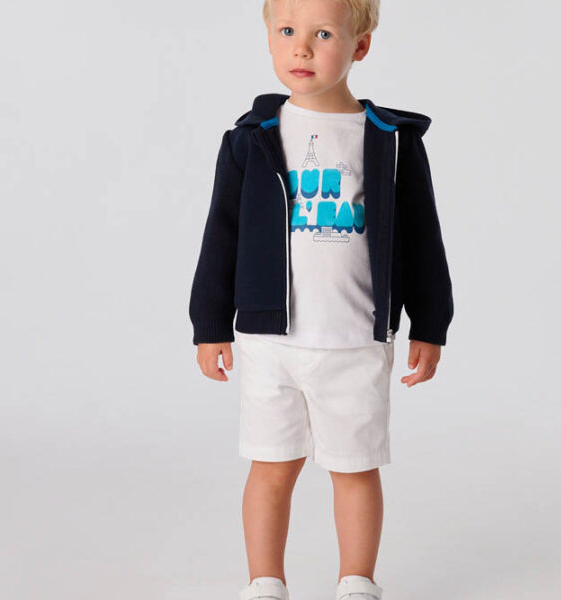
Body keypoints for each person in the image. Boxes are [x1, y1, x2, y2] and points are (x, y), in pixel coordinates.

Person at [188, 0, 454, 598]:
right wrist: (210, 325)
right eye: (287, 31)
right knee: (270, 467)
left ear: (360, 46)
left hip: (355, 341)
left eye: (323, 33)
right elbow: (221, 234)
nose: (301, 47)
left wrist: (430, 324)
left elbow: (422, 236)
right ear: (269, 39)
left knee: (355, 469)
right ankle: (265, 583)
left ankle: (357, 582)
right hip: (269, 343)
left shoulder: (391, 142)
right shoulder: (250, 139)